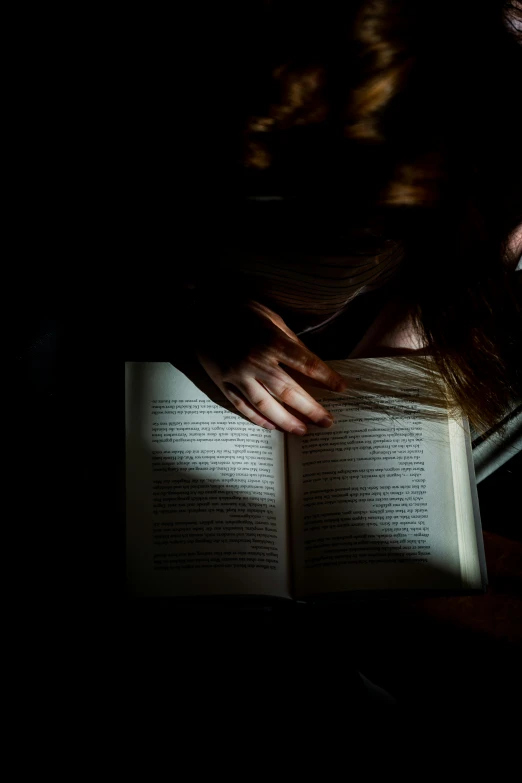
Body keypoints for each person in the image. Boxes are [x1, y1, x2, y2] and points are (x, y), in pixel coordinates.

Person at [170, 0, 521, 439]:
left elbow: (481, 251)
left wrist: (384, 355)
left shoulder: (486, 140)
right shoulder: (216, 147)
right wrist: (208, 316)